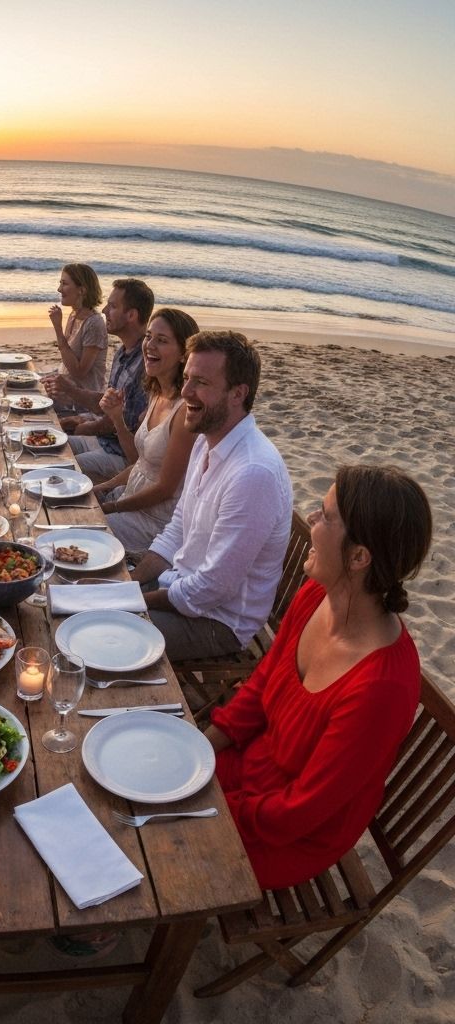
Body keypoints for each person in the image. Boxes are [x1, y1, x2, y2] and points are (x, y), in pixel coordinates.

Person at [207, 465, 432, 889]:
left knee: (163, 829)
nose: (311, 520)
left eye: (326, 516)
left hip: (290, 832)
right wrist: (206, 744)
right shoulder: (317, 595)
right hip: (255, 770)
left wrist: (214, 809)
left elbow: (301, 811)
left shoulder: (381, 688)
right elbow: (261, 686)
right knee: (148, 775)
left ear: (359, 557)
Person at [130, 330, 293, 661]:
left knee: (106, 631)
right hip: (179, 584)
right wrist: (132, 581)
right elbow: (178, 528)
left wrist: (133, 599)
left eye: (200, 382)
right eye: (186, 377)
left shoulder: (252, 474)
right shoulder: (206, 439)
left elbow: (211, 589)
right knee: (88, 593)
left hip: (218, 622)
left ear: (238, 393)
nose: (186, 391)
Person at [94, 308, 200, 556]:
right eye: (149, 336)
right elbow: (139, 462)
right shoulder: (156, 393)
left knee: (80, 527)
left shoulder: (184, 411)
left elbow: (165, 488)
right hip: (131, 498)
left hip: (154, 522)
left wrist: (111, 507)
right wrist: (117, 418)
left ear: (184, 354)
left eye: (162, 341)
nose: (149, 345)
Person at [45, 277, 152, 482]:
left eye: (112, 306)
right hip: (104, 441)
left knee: (55, 468)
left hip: (121, 454)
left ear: (131, 315)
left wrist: (88, 425)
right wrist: (72, 394)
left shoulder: (145, 364)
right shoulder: (123, 352)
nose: (104, 311)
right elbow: (107, 402)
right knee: (46, 447)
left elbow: (124, 422)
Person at [45, 263, 108, 412]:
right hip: (66, 395)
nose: (59, 289)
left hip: (81, 405)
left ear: (81, 290)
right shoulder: (74, 315)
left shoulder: (94, 324)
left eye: (64, 284)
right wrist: (54, 381)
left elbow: (79, 372)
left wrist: (58, 329)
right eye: (60, 283)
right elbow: (67, 363)